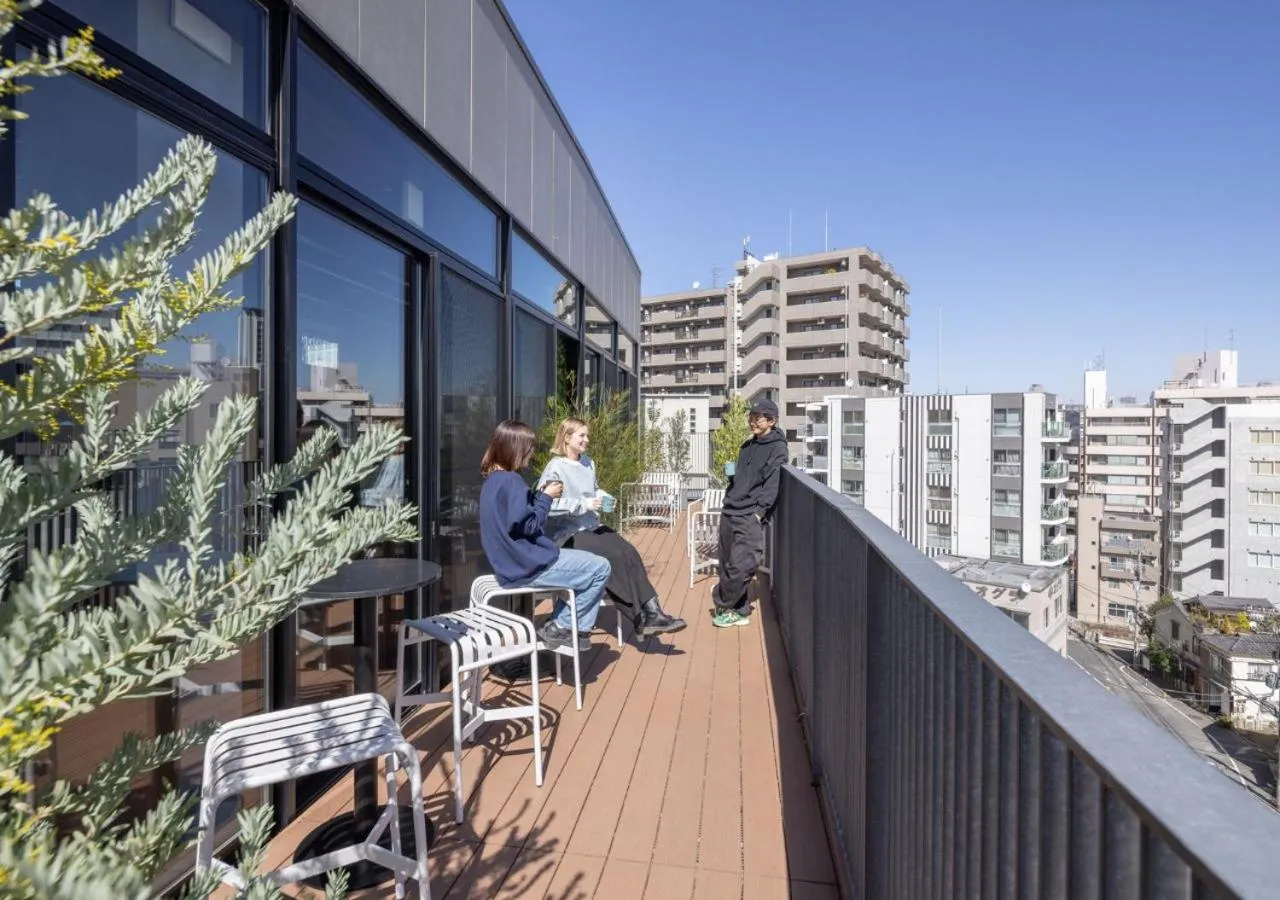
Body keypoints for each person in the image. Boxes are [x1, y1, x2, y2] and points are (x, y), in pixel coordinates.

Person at [538, 417, 686, 637]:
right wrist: (583, 505)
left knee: (629, 552)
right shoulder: (556, 467)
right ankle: (641, 617)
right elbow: (547, 504)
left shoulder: (588, 463)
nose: (587, 440)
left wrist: (604, 496)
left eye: (587, 435)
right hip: (568, 533)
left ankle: (654, 611)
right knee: (613, 555)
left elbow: (594, 489)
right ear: (567, 437)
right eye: (582, 435)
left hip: (591, 526)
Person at [478, 420, 610, 652]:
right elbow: (532, 525)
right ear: (515, 448)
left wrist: (537, 499)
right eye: (529, 447)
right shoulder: (512, 481)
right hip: (527, 566)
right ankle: (560, 626)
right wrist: (547, 497)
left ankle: (571, 630)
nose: (531, 453)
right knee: (600, 568)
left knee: (585, 569)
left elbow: (515, 521)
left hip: (511, 564)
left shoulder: (493, 481)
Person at [711, 397, 787, 628]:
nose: (752, 422)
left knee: (742, 563)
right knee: (726, 562)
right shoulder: (748, 445)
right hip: (731, 509)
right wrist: (733, 479)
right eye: (751, 417)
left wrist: (759, 513)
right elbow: (746, 478)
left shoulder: (777, 448)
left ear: (771, 421)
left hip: (749, 515)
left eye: (757, 418)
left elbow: (772, 483)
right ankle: (740, 610)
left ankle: (723, 601)